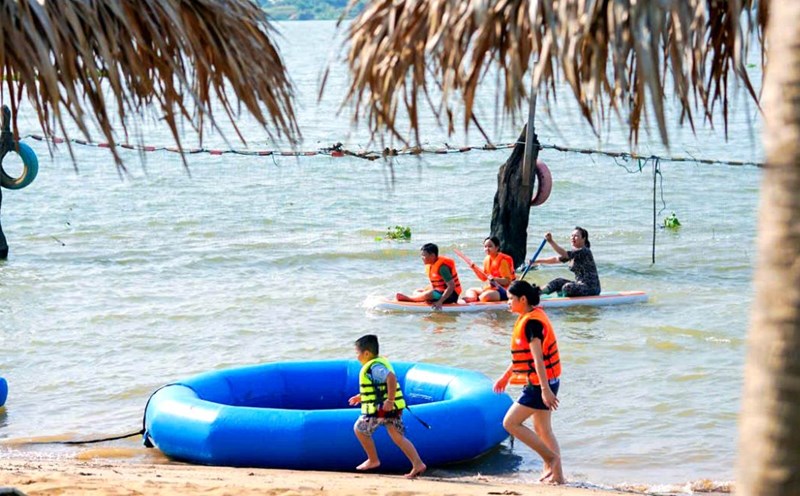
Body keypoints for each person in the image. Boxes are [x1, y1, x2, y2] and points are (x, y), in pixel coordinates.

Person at [493, 280, 564, 484]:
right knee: (543, 430)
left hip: (540, 384)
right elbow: (522, 358)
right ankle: (557, 477)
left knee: (511, 423)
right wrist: (506, 376)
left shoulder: (532, 323)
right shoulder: (529, 317)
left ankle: (551, 459)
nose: (507, 303)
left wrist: (544, 390)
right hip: (545, 381)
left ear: (523, 299)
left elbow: (537, 358)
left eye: (510, 299)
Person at [348, 334, 427, 478]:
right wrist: (361, 397)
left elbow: (390, 378)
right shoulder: (378, 363)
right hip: (393, 409)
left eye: (357, 354)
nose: (357, 357)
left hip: (383, 409)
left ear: (366, 353)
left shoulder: (374, 367)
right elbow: (379, 387)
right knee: (398, 437)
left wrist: (390, 401)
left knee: (360, 429)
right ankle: (418, 464)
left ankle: (373, 460)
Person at [533, 227, 600, 297]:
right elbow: (556, 259)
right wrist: (536, 261)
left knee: (567, 287)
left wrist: (551, 241)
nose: (573, 238)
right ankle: (537, 292)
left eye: (576, 236)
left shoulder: (584, 251)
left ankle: (563, 299)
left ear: (583, 238)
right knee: (558, 282)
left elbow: (564, 254)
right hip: (580, 285)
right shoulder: (574, 253)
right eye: (572, 235)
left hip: (592, 288)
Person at [395, 243, 462, 310]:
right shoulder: (431, 265)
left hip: (452, 295)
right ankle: (418, 298)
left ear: (432, 256)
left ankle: (409, 299)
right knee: (418, 291)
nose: (422, 258)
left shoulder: (442, 268)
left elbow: (451, 286)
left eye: (424, 255)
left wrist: (440, 302)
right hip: (441, 291)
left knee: (429, 294)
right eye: (421, 255)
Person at [463, 236, 516, 302]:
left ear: (497, 247)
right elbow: (484, 278)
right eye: (485, 246)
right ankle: (473, 299)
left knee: (485, 296)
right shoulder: (486, 259)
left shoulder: (502, 261)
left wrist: (494, 279)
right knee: (470, 290)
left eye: (490, 246)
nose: (487, 249)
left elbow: (507, 281)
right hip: (492, 288)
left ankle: (479, 298)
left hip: (505, 290)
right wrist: (474, 269)